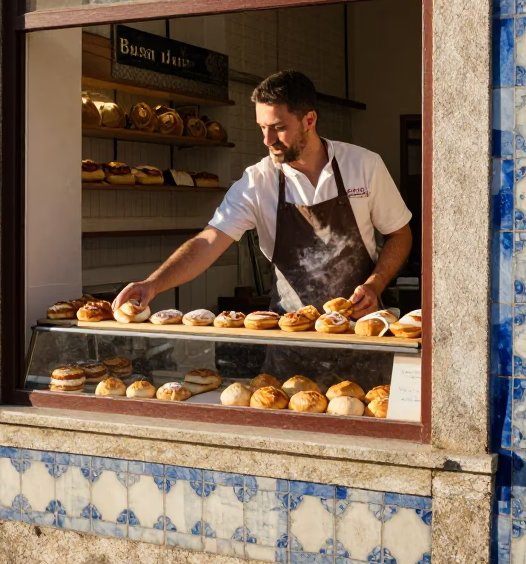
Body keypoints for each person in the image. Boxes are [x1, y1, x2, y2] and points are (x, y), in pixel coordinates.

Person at [113, 70, 413, 384]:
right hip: (291, 349)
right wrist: (154, 283)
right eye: (262, 128)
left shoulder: (363, 166)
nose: (267, 140)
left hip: (361, 341)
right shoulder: (258, 181)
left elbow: (400, 233)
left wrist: (376, 284)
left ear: (309, 120)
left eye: (278, 128)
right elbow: (208, 241)